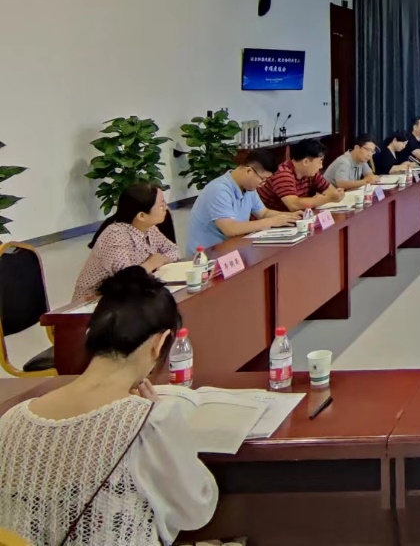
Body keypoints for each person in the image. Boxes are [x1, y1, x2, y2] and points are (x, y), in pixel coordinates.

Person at [0, 266, 218, 543]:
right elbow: (196, 510)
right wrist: (162, 421)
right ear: (160, 342)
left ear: (91, 333)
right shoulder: (151, 422)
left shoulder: (11, 419)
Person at [73, 184, 180, 304]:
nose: (166, 208)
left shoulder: (149, 228)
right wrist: (152, 263)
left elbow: (173, 250)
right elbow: (126, 280)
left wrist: (160, 260)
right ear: (142, 216)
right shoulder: (115, 235)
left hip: (130, 295)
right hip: (95, 302)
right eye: (161, 205)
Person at [185, 150, 299, 255]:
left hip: (231, 250)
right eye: (263, 179)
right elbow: (230, 229)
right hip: (206, 257)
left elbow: (264, 213)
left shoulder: (249, 188)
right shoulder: (219, 189)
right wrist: (270, 222)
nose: (263, 184)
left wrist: (291, 217)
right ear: (249, 171)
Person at [256, 139, 344, 213]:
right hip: (270, 222)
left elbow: (332, 192)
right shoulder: (283, 174)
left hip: (294, 218)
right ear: (306, 162)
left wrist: (333, 196)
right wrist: (327, 199)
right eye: (320, 161)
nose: (321, 166)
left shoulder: (311, 173)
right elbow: (294, 205)